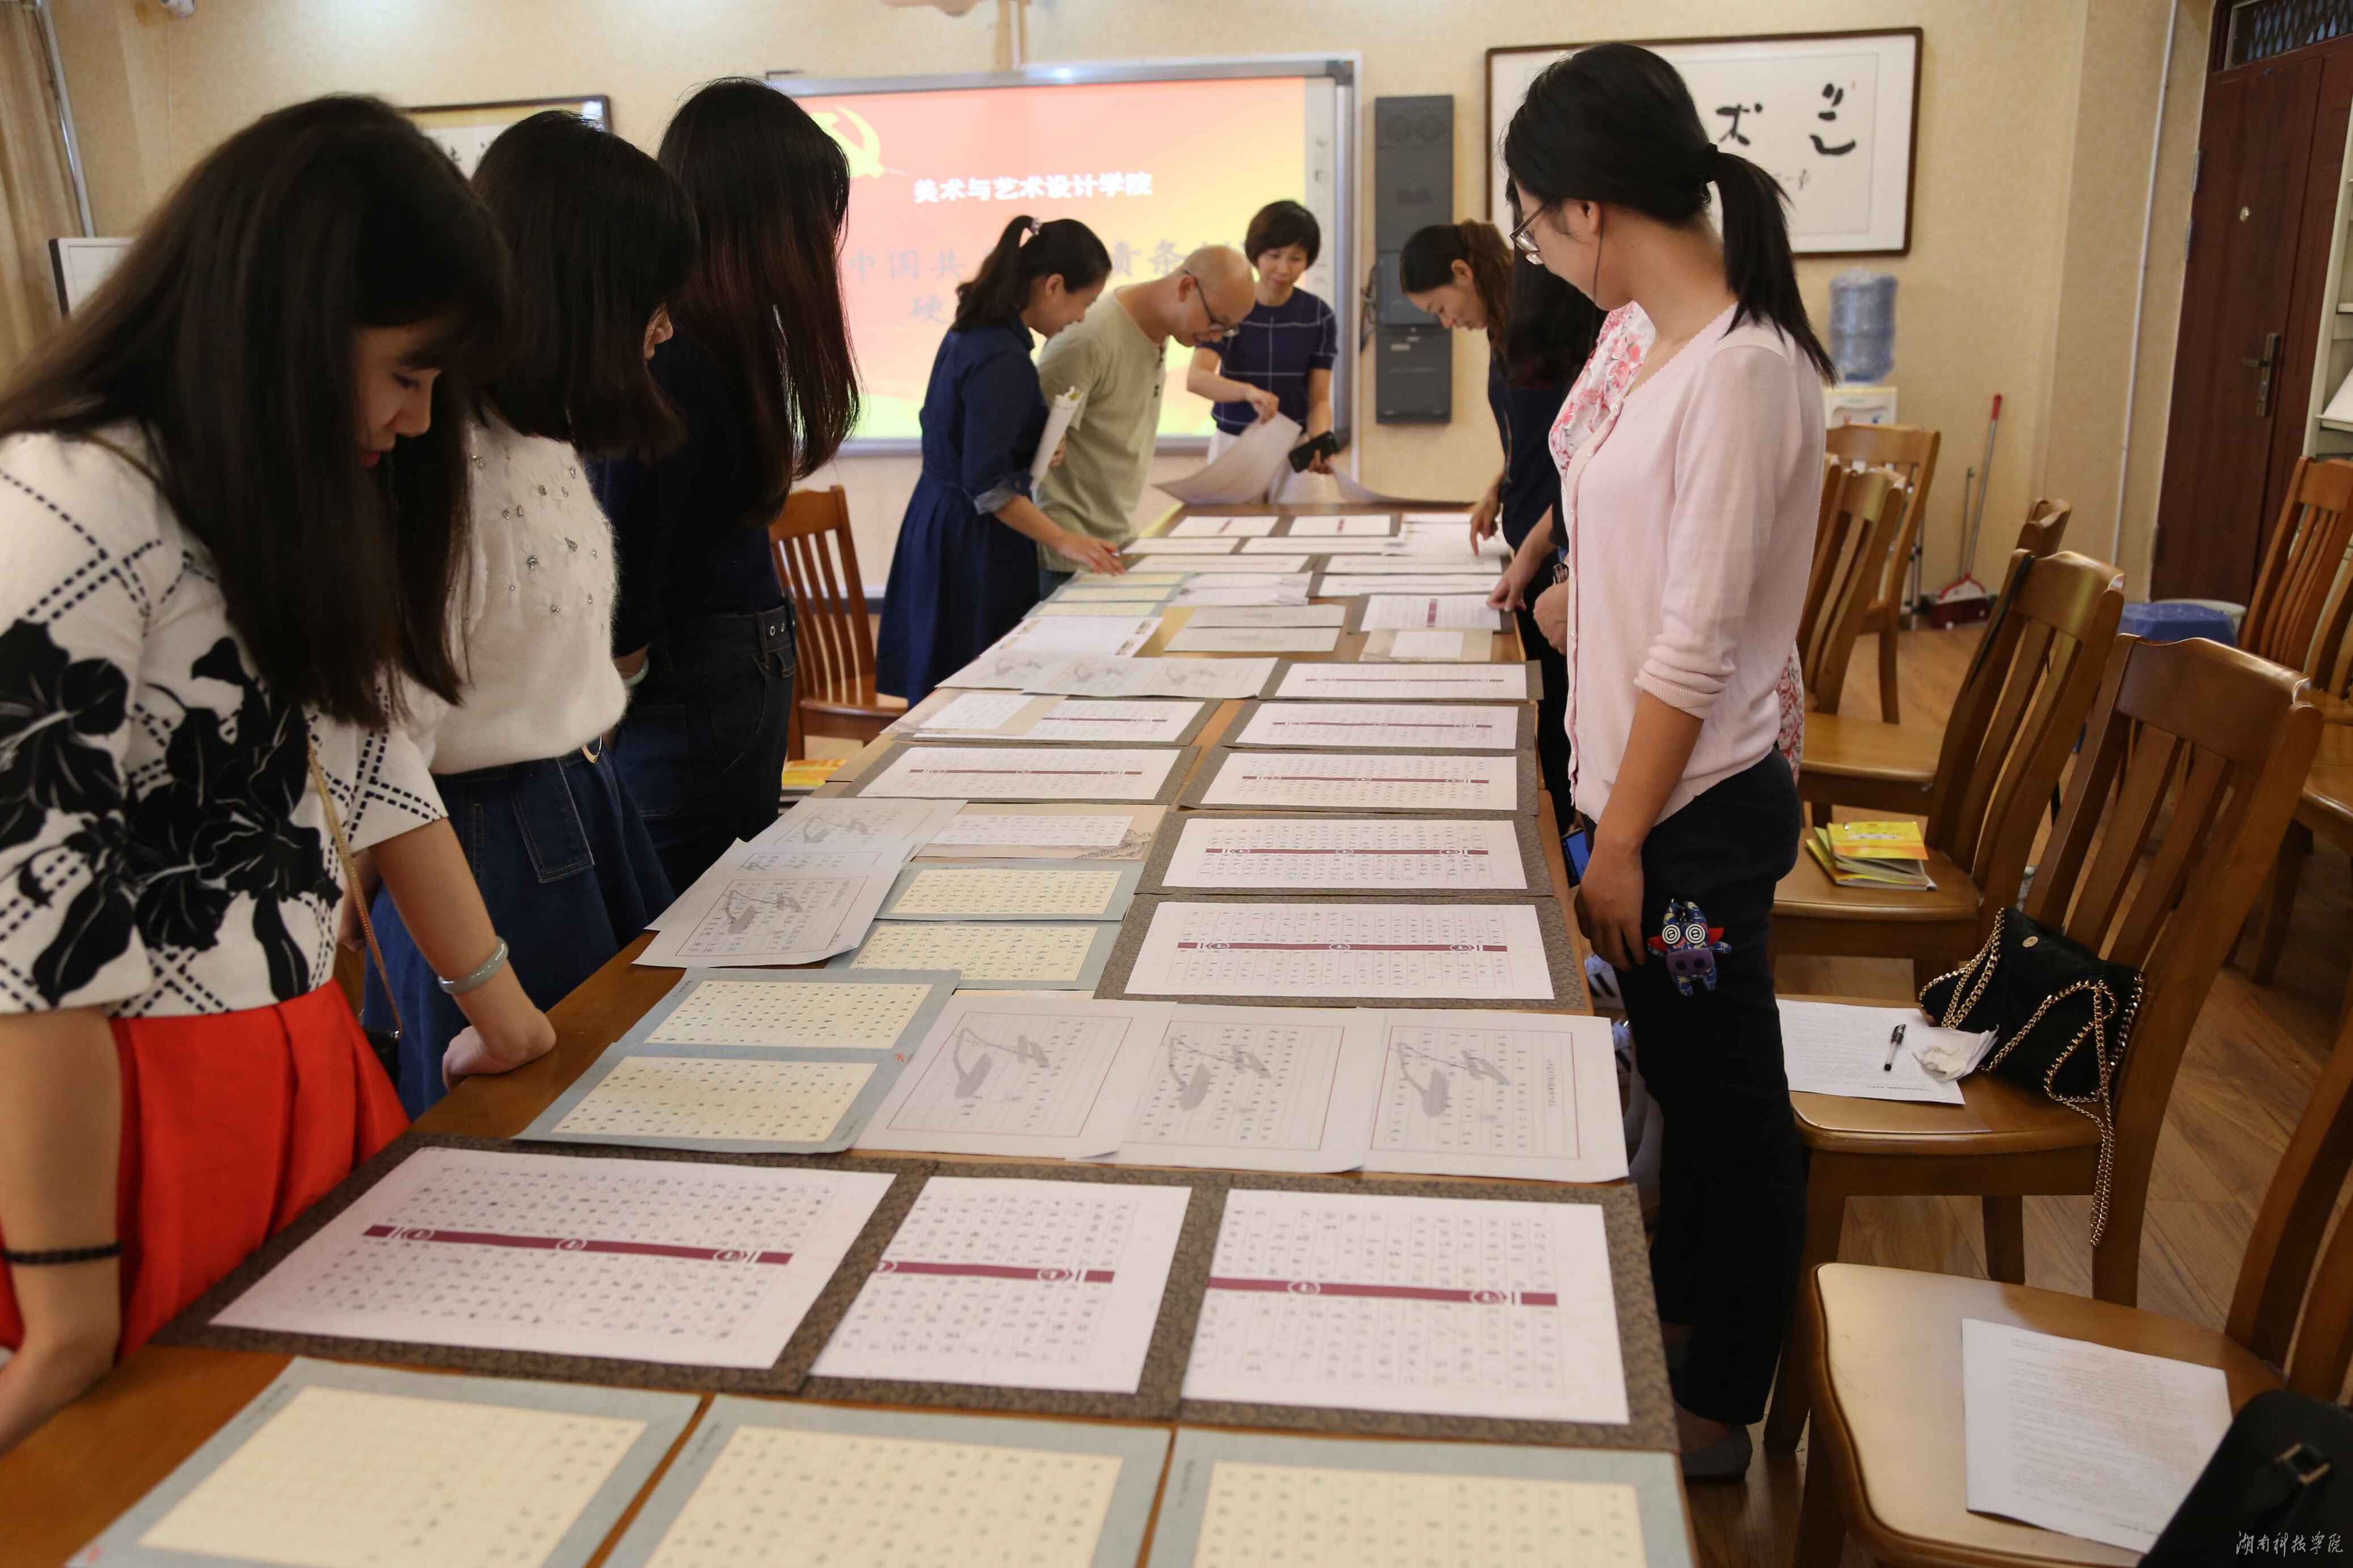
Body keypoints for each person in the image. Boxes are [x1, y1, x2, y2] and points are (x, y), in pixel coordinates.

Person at [0, 96, 550, 1453]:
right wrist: (65, 1299)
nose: (417, 419)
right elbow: (32, 921)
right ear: (292, 316)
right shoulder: (64, 501)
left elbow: (373, 759)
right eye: (408, 372)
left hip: (301, 1062)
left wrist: (503, 1009)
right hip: (122, 1111)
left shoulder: (259, 488)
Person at [1505, 42, 1831, 1480]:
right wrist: (1579, 600)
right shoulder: (1659, 346)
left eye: (1532, 221)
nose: (1533, 249)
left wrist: (1623, 845)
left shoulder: (1743, 368)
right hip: (1643, 801)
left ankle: (1721, 1401)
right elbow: (1658, 567)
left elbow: (1699, 648)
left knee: (1728, 1105)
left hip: (1687, 824)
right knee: (1689, 1093)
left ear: (1586, 207)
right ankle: (1684, 1328)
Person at [358, 112, 688, 1115]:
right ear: (585, 290)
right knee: (538, 1123)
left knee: (623, 1094)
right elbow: (386, 751)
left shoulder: (537, 430)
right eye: (650, 299)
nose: (665, 327)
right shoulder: (431, 455)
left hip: (586, 801)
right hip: (489, 843)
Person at [592, 79, 861, 893]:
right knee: (703, 912)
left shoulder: (689, 344)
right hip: (716, 666)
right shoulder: (691, 347)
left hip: (706, 669)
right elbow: (630, 557)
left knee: (693, 911)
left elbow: (629, 553)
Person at [1400, 218, 1601, 837]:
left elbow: (1580, 454)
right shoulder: (1502, 329)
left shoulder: (1543, 323)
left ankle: (1564, 845)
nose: (1445, 322)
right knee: (1543, 706)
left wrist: (1531, 552)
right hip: (1531, 537)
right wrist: (1498, 483)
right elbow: (1536, 438)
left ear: (1463, 273)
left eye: (1441, 307)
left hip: (1557, 549)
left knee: (1559, 714)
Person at [876, 217, 1117, 704]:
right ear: (1054, 286)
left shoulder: (976, 332)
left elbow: (961, 435)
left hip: (940, 520)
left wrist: (1034, 445)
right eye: (1085, 303)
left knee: (954, 693)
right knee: (971, 697)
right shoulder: (1002, 356)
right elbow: (989, 486)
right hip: (972, 542)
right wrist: (1065, 540)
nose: (1080, 319)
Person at [1034, 244, 1257, 596]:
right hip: (1068, 560)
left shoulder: (1159, 331)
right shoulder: (1086, 337)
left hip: (1114, 547)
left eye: (1227, 331)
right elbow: (1030, 459)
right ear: (1186, 288)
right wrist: (1061, 541)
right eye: (1217, 323)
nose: (1215, 338)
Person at [1184, 200, 1339, 493]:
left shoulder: (1318, 315)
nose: (1284, 268)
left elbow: (1319, 400)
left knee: (1305, 521)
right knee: (1232, 519)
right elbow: (1197, 379)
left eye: (1296, 258)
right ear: (1256, 254)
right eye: (1274, 256)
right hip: (1235, 441)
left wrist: (1319, 439)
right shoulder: (1229, 307)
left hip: (1295, 445)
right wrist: (1247, 392)